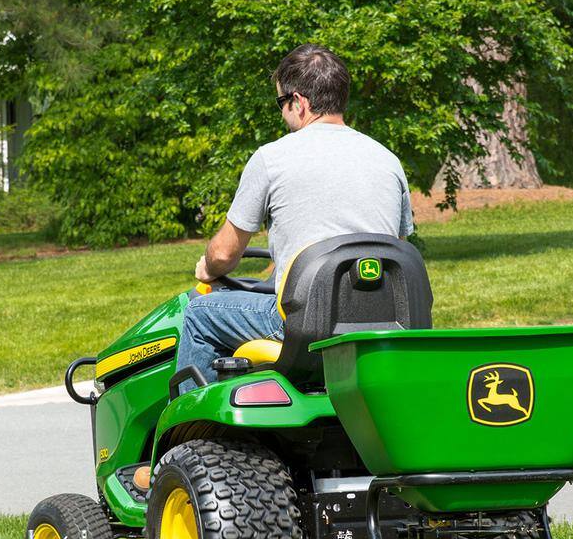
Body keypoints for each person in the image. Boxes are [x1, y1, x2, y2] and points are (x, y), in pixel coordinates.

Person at [175, 42, 415, 387]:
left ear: (299, 102)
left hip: (304, 325)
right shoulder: (388, 160)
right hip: (384, 322)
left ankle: (188, 430)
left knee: (199, 314)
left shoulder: (272, 158)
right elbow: (396, 250)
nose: (282, 114)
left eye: (280, 103)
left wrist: (208, 268)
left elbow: (225, 254)